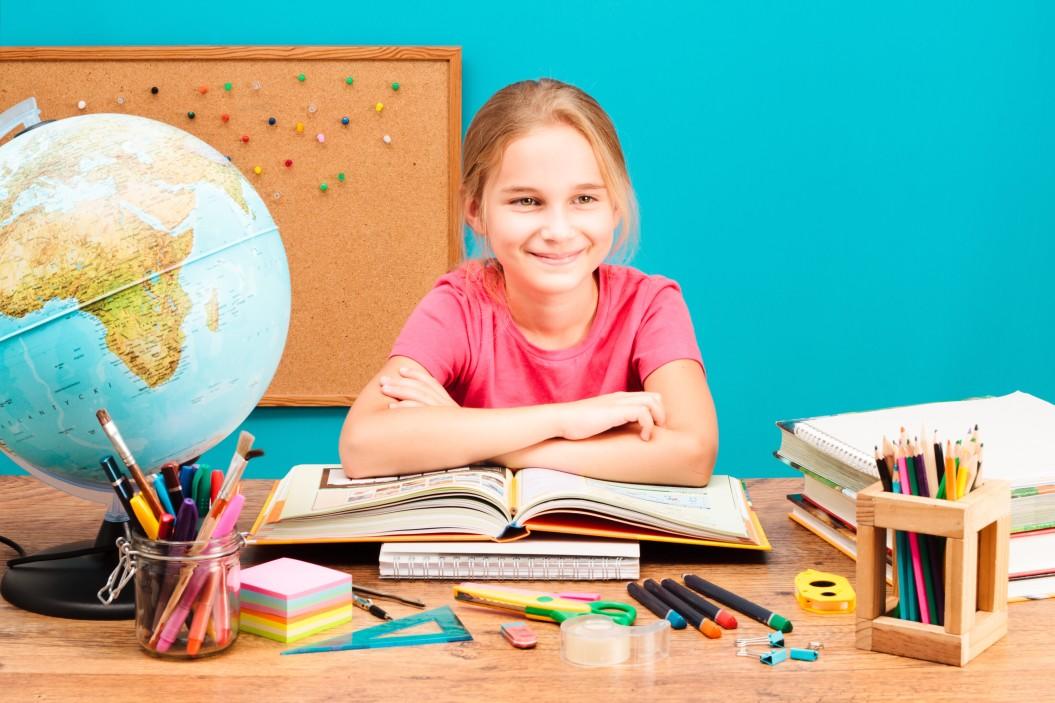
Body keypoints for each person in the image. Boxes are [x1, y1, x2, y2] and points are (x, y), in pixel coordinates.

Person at [339, 78, 717, 486]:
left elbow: (693, 456)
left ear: (614, 206)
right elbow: (362, 446)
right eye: (527, 201)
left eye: (584, 199)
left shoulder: (649, 305)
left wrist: (476, 436)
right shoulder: (459, 305)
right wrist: (565, 419)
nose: (558, 230)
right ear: (475, 209)